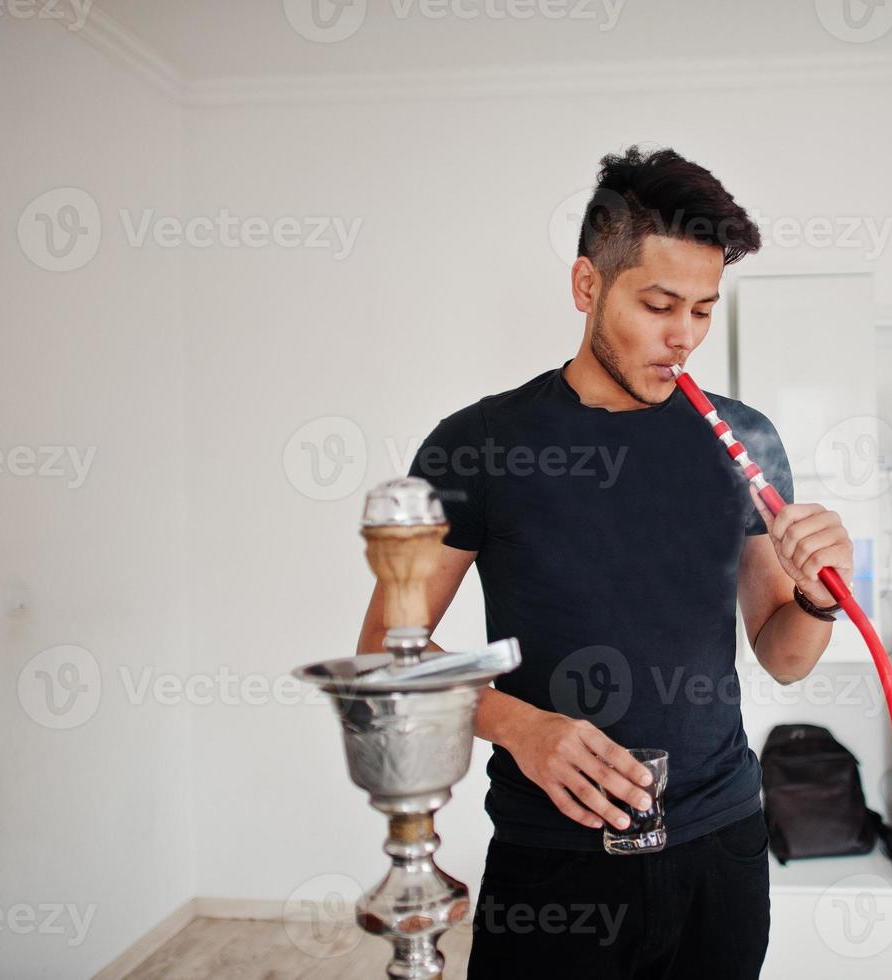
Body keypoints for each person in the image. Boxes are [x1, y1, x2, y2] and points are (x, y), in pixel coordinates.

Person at [356, 145, 854, 979]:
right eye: (659, 305)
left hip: (720, 845)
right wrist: (522, 728)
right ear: (588, 286)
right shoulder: (480, 443)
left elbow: (784, 655)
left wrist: (816, 597)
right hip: (554, 856)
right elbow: (384, 649)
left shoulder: (747, 441)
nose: (683, 338)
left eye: (702, 309)